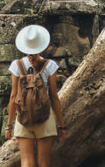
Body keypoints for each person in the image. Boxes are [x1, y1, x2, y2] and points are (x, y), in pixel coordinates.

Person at [5, 24, 67, 167]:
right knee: (44, 162)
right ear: (41, 44)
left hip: (23, 117)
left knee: (26, 161)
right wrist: (62, 126)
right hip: (45, 117)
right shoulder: (50, 65)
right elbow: (53, 96)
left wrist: (8, 125)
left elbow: (13, 96)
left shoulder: (17, 65)